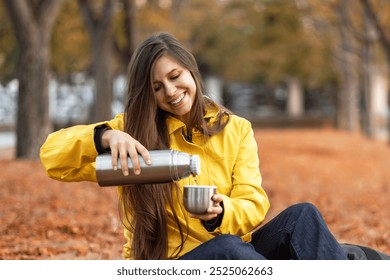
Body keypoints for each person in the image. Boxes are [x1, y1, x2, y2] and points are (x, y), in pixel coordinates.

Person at [40, 32, 348, 260]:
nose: (171, 92)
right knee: (229, 250)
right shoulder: (133, 134)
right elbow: (52, 158)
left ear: (191, 71)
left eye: (175, 77)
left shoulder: (236, 129)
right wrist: (104, 136)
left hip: (237, 255)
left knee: (302, 217)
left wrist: (219, 213)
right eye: (157, 87)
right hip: (172, 265)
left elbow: (252, 202)